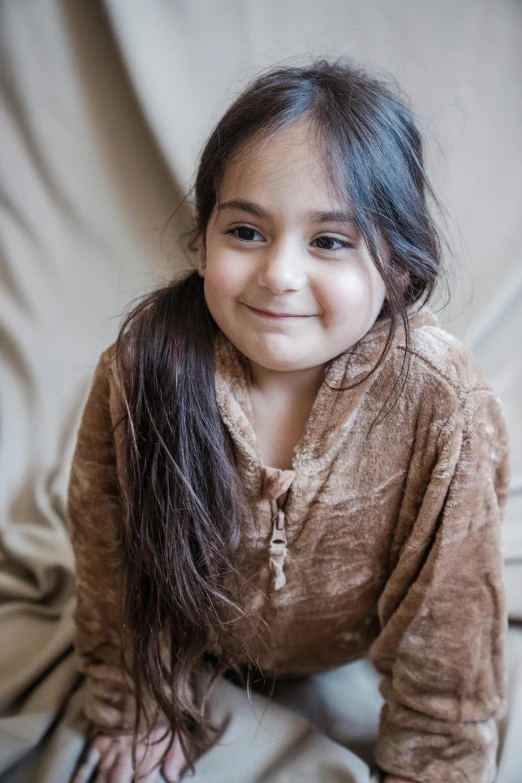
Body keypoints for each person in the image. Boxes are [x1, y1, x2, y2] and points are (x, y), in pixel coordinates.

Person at [67, 58, 510, 783]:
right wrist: (138, 706)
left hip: (347, 645)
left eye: (330, 241)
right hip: (202, 639)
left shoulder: (438, 398)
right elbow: (111, 558)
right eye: (245, 230)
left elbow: (453, 610)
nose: (279, 274)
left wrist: (433, 760)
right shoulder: (141, 366)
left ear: (397, 265)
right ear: (203, 238)